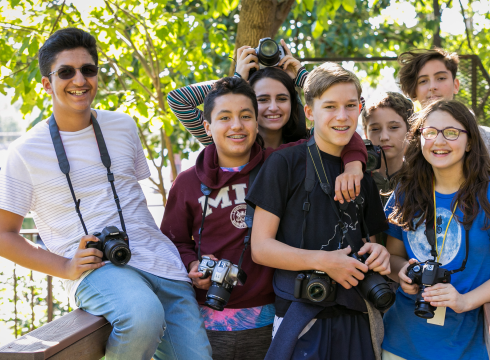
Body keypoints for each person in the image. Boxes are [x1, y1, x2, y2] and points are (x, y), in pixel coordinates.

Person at [0, 28, 211, 360]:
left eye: (88, 69)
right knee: (142, 316)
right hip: (97, 270)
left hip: (162, 264)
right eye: (66, 71)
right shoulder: (25, 151)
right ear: (47, 83)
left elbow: (131, 199)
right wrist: (65, 266)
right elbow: (1, 237)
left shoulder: (124, 126)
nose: (79, 79)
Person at [161, 76, 367, 360]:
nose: (237, 125)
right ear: (207, 126)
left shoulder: (278, 164)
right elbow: (172, 241)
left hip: (268, 317)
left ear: (257, 123)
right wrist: (192, 264)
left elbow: (336, 126)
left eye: (246, 116)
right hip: (205, 319)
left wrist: (355, 162)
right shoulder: (187, 182)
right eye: (225, 117)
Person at [247, 62, 392, 360]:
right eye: (330, 106)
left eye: (351, 105)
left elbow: (372, 245)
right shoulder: (283, 163)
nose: (342, 116)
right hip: (301, 318)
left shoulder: (361, 172)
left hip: (358, 315)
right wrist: (324, 262)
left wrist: (380, 255)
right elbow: (260, 248)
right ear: (310, 111)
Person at [383, 100, 490, 360]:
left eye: (451, 132)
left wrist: (464, 301)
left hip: (463, 347)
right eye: (430, 132)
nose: (439, 141)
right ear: (419, 138)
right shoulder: (406, 192)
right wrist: (401, 273)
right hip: (399, 343)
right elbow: (392, 257)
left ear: (469, 142)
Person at [396, 48, 490, 200]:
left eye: (441, 78)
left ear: (456, 85)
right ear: (414, 91)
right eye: (423, 81)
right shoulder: (407, 142)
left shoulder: (489, 139)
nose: (432, 86)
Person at [168, 40, 308, 149]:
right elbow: (178, 99)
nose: (273, 107)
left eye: (282, 99)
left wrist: (304, 79)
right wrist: (235, 81)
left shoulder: (309, 143)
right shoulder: (230, 141)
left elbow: (330, 101)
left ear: (293, 103)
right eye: (263, 99)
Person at [361, 92, 414, 245]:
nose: (384, 136)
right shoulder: (357, 179)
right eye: (375, 129)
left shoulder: (419, 179)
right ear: (366, 133)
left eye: (393, 127)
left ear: (409, 131)